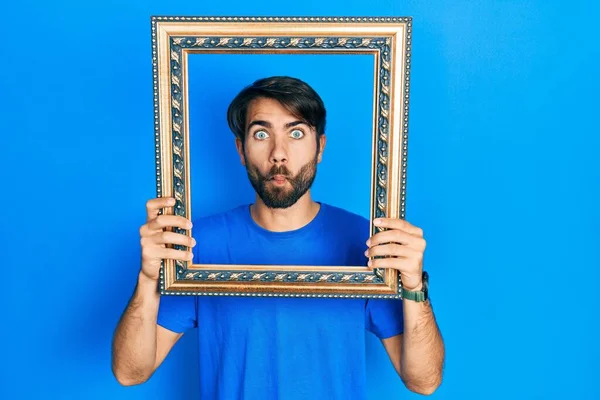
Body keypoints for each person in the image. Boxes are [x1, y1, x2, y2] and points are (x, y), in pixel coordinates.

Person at [111, 76, 445, 398]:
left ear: (320, 148)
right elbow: (131, 372)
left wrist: (415, 287)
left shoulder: (366, 243)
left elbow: (424, 381)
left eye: (296, 133)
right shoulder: (196, 245)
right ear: (241, 150)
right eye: (261, 134)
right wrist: (147, 280)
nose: (278, 153)